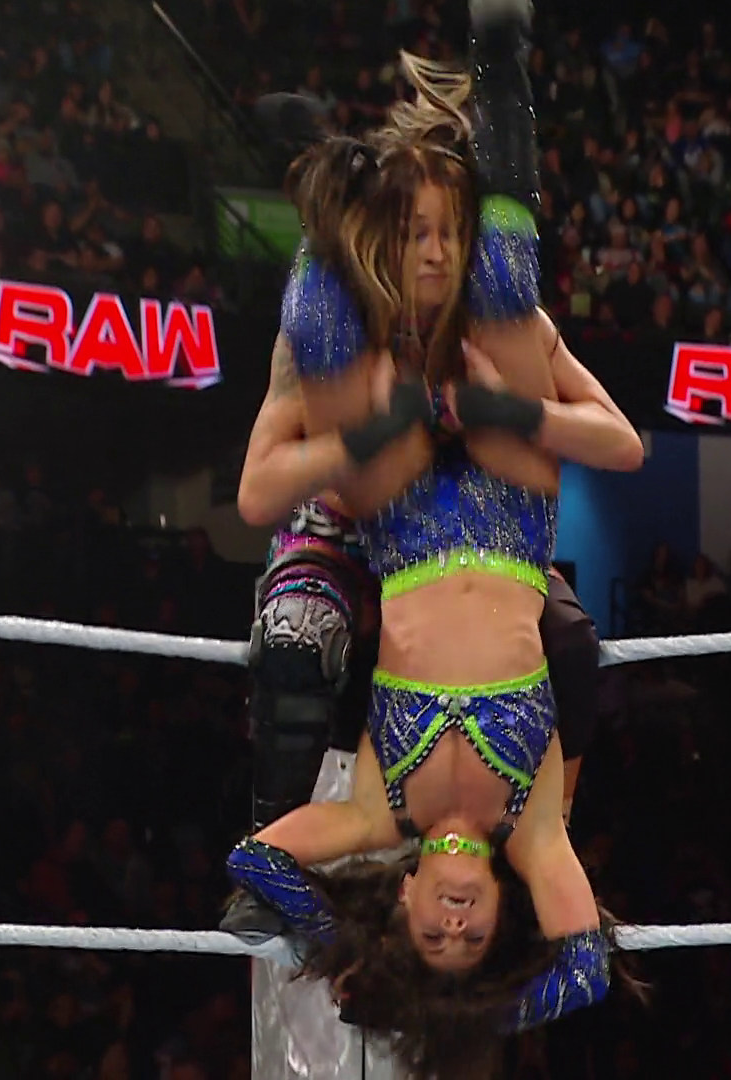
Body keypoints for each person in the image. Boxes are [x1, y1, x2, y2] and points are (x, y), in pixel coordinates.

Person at [226, 5, 644, 1076]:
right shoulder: (534, 826)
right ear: (497, 910)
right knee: (504, 291)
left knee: (334, 339)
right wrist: (485, 1011)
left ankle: (320, 176)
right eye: (473, 937)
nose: (454, 925)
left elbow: (258, 861)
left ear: (406, 898)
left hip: (406, 523)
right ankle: (503, 60)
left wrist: (347, 953)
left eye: (433, 937)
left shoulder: (380, 809)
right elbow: (584, 971)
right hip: (507, 518)